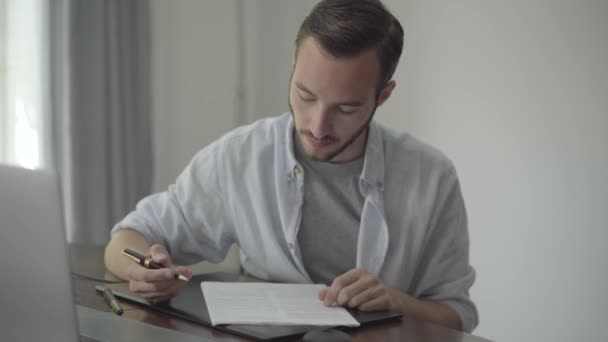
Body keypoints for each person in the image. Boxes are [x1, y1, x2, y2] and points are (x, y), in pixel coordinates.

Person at [104, 0, 478, 332]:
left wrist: (397, 301)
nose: (317, 126)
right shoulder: (240, 157)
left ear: (383, 95)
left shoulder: (431, 178)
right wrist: (142, 269)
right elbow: (124, 241)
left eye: (346, 108)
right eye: (305, 95)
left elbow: (457, 315)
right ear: (293, 63)